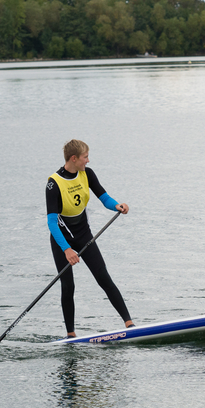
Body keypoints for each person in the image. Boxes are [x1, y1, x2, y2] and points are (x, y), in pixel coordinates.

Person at [46, 139, 135, 337]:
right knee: (68, 285)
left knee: (103, 277)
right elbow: (52, 222)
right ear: (74, 158)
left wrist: (117, 205)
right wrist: (66, 249)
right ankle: (71, 335)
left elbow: (103, 197)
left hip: (83, 234)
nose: (88, 160)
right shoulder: (54, 183)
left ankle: (130, 324)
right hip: (62, 237)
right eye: (85, 157)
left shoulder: (87, 173)